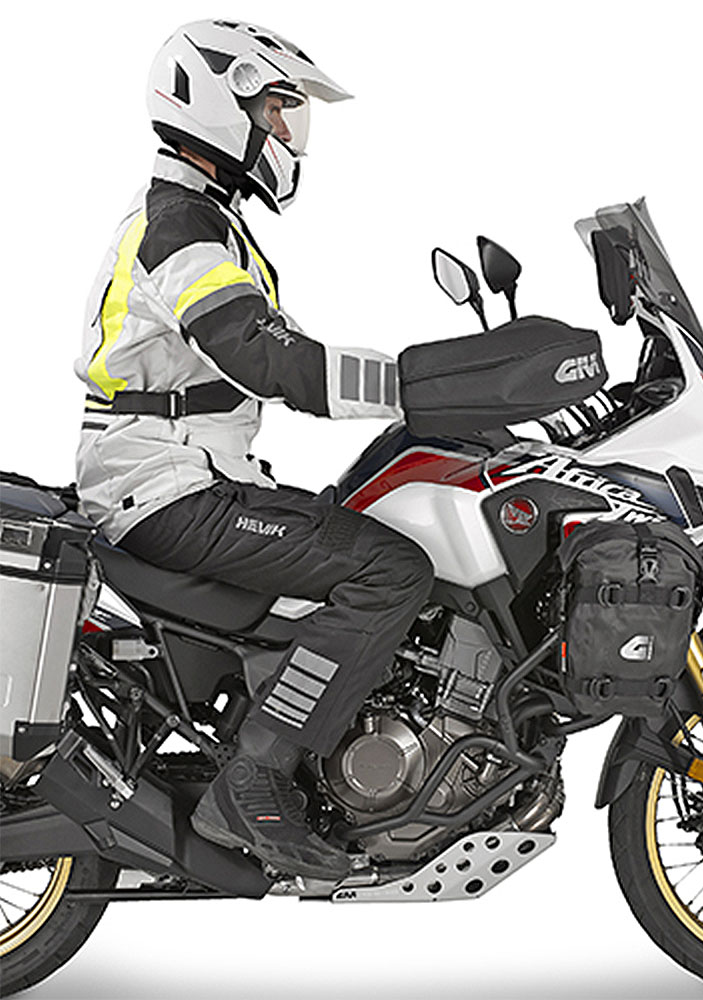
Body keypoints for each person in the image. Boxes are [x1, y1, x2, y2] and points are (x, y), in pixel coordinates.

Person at [73, 20, 434, 881]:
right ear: (216, 100)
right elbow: (269, 359)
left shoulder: (204, 222)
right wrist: (425, 384)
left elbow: (275, 355)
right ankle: (257, 776)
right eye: (276, 108)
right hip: (165, 491)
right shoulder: (181, 228)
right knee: (391, 571)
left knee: (358, 527)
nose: (286, 132)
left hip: (187, 479)